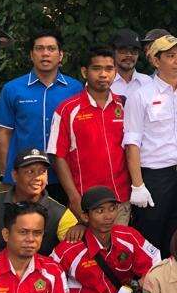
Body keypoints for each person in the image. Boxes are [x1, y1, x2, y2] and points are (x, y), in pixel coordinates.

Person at [123, 34, 177, 258]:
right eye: (170, 56)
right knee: (151, 236)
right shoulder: (141, 95)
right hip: (155, 178)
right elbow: (132, 143)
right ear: (155, 61)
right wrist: (138, 185)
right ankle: (147, 286)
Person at [0, 29, 83, 200]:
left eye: (51, 49)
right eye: (39, 49)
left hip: (66, 177)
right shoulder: (13, 89)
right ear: (31, 55)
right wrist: (5, 174)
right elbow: (4, 134)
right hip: (25, 175)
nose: (45, 54)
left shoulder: (75, 89)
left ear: (61, 55)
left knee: (63, 225)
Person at [48, 46, 131, 223]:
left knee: (120, 249)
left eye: (109, 69)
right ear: (85, 72)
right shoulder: (67, 109)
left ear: (115, 72)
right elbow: (57, 156)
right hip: (87, 202)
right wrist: (74, 198)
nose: (103, 74)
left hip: (120, 200)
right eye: (96, 68)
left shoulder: (124, 105)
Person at [0, 148, 81, 263]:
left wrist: (83, 226)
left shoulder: (60, 214)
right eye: (30, 172)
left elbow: (77, 254)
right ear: (15, 175)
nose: (37, 177)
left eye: (42, 172)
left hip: (38, 279)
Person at [110, 28, 152, 102]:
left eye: (134, 51)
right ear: (113, 52)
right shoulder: (103, 81)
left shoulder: (148, 82)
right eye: (123, 50)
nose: (129, 55)